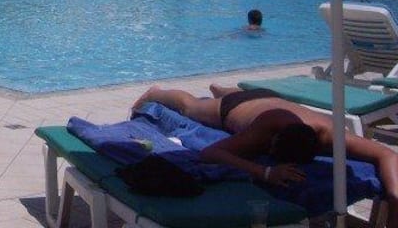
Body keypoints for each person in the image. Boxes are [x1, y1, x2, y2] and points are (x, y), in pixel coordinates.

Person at [132, 83, 398, 225]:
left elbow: (387, 155)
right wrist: (265, 171)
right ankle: (158, 91)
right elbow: (211, 154)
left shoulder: (330, 133)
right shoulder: (264, 130)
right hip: (235, 107)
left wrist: (396, 197)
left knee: (243, 100)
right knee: (190, 106)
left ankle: (223, 89)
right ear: (272, 140)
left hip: (268, 98)